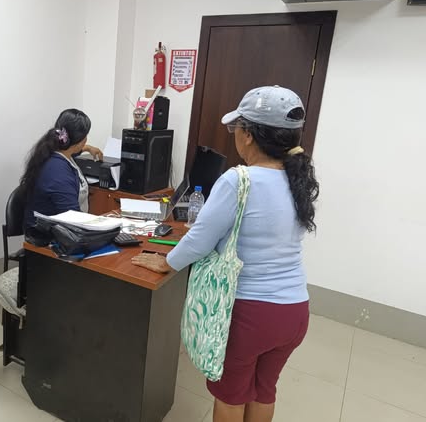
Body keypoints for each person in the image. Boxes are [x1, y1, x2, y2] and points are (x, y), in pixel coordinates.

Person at [132, 86, 319, 422]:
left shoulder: (239, 179)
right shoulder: (298, 179)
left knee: (232, 395)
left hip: (250, 313)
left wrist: (166, 262)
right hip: (295, 310)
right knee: (264, 390)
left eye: (237, 128)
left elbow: (200, 240)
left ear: (248, 135)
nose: (235, 135)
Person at [20, 109, 103, 235]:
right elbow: (72, 218)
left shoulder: (53, 151)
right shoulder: (58, 171)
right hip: (49, 236)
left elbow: (73, 151)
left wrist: (88, 148)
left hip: (55, 228)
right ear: (81, 140)